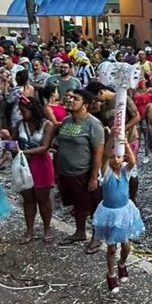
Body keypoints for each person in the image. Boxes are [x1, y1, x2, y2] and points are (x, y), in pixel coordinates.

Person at [54, 89, 104, 253]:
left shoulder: (93, 124)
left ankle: (96, 236)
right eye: (69, 97)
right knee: (77, 204)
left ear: (86, 105)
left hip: (83, 172)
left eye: (75, 98)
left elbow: (98, 152)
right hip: (66, 172)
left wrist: (93, 177)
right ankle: (80, 231)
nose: (70, 100)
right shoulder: (66, 121)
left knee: (92, 205)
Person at [92, 137, 145, 293]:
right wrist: (110, 141)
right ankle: (111, 273)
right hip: (110, 214)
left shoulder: (125, 171)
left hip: (124, 212)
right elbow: (104, 155)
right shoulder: (106, 173)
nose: (115, 160)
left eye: (119, 156)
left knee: (126, 245)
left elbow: (133, 161)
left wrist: (126, 143)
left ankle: (122, 263)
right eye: (113, 157)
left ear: (123, 158)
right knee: (111, 248)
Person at [3, 96, 55, 243]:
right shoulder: (19, 124)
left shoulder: (47, 125)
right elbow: (12, 145)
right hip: (23, 165)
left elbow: (45, 147)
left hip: (41, 165)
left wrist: (22, 152)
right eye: (20, 110)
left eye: (24, 110)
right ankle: (29, 229)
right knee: (28, 198)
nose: (21, 113)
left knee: (43, 198)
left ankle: (47, 228)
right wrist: (7, 140)